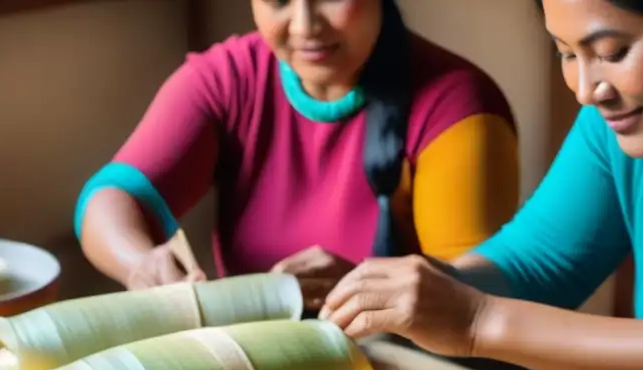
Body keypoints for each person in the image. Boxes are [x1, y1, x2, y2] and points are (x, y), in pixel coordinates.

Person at [322, 0, 643, 370]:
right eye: (566, 53)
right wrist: (421, 289)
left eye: (611, 51)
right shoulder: (618, 125)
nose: (586, 90)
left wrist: (477, 320)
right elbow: (535, 264)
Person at [74, 0, 520, 310]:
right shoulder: (227, 78)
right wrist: (140, 264)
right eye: (278, 0)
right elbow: (113, 197)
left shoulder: (458, 105)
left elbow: (473, 300)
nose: (305, 25)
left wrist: (363, 287)